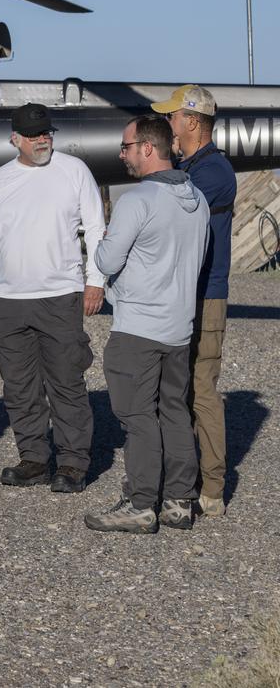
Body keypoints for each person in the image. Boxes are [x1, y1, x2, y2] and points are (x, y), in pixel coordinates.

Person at [0, 103, 106, 493]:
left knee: (66, 382)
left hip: (60, 295)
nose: (43, 140)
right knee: (18, 385)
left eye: (47, 133)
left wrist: (96, 281)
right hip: (7, 300)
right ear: (15, 139)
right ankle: (34, 459)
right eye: (34, 135)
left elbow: (95, 228)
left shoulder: (74, 171)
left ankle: (73, 463)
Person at [85, 116, 208, 534]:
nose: (122, 154)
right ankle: (178, 501)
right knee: (173, 411)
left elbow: (105, 261)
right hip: (179, 326)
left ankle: (140, 504)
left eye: (126, 146)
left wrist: (100, 238)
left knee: (137, 416)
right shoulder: (198, 198)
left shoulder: (138, 200)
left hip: (138, 326)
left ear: (148, 149)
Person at [153, 85, 236, 518]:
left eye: (171, 117)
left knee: (201, 387)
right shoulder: (193, 167)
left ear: (191, 122)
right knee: (177, 387)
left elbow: (176, 211)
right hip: (183, 291)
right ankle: (183, 475)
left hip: (206, 294)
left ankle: (213, 486)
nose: (167, 124)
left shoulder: (214, 173)